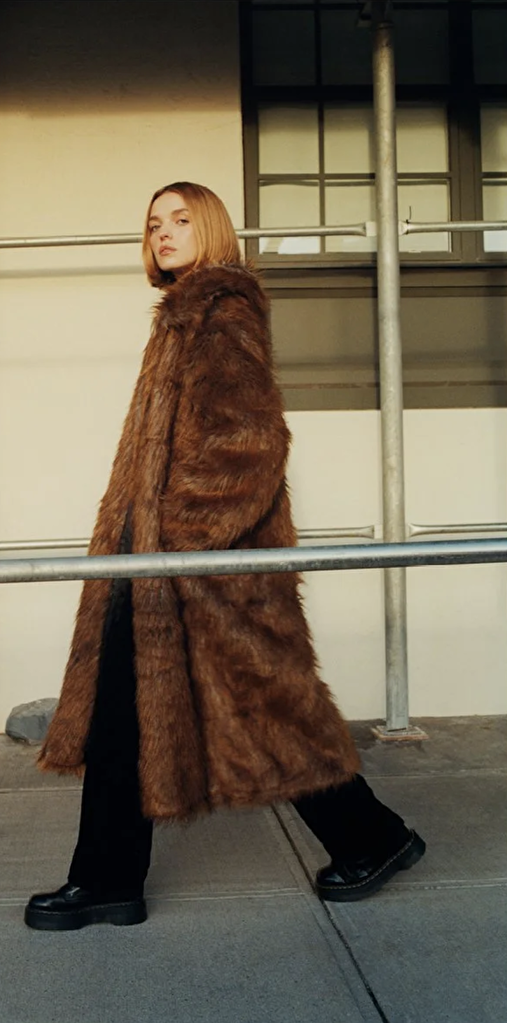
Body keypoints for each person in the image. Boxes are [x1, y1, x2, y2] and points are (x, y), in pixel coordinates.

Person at [25, 182, 425, 931]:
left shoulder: (221, 309)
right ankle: (108, 878)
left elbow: (249, 445)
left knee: (265, 709)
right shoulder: (183, 315)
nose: (163, 232)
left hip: (197, 565)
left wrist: (180, 542)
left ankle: (374, 837)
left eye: (180, 219)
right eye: (154, 223)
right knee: (127, 711)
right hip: (157, 561)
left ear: (211, 227)